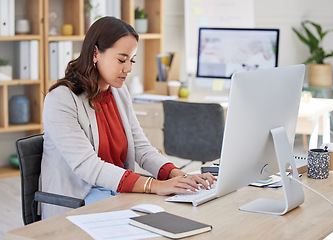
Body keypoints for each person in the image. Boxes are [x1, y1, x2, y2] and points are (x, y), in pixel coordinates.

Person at [41, 16, 216, 219]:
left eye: (131, 60)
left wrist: (180, 176)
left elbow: (141, 147)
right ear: (96, 53)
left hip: (116, 191)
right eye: (121, 59)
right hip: (80, 199)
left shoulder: (118, 92)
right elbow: (88, 166)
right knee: (157, 219)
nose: (129, 69)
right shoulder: (61, 99)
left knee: (180, 210)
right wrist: (154, 185)